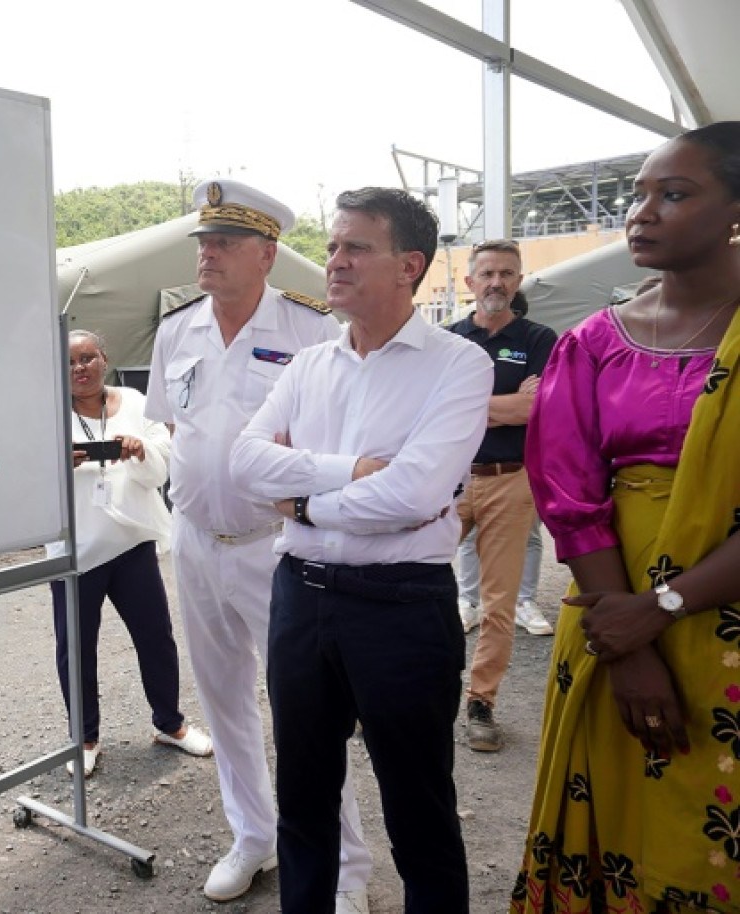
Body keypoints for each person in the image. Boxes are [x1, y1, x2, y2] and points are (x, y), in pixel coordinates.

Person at [230, 186, 491, 913]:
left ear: (410, 264)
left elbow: (413, 494)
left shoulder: (458, 365)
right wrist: (345, 473)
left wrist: (302, 501)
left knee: (419, 810)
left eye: (354, 247)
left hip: (403, 608)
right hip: (301, 599)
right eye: (334, 246)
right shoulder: (310, 364)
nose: (334, 261)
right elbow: (242, 464)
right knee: (304, 803)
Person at [511, 122, 740, 912]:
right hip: (608, 622)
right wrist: (627, 639)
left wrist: (664, 607)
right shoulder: (592, 344)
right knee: (614, 807)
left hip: (723, 618)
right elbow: (570, 497)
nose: (642, 213)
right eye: (638, 194)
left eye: (674, 195)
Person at [146, 179, 373, 910]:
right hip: (194, 540)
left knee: (307, 709)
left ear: (267, 254)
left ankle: (344, 870)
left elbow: (342, 442)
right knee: (223, 700)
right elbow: (178, 432)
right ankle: (254, 836)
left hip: (277, 545)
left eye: (224, 242)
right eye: (203, 241)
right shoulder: (176, 330)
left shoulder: (310, 330)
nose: (206, 253)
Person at [48, 329, 212, 777]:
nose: (79, 368)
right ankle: (83, 736)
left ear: (105, 358)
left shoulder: (137, 402)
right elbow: (29, 478)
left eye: (87, 358)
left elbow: (165, 463)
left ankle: (170, 724)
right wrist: (60, 464)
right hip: (75, 552)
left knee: (156, 636)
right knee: (76, 648)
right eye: (69, 362)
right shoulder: (46, 413)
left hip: (132, 541)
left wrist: (140, 453)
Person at [446, 240, 558, 753]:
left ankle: (481, 701)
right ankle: (402, 688)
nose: (496, 282)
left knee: (498, 602)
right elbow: (430, 410)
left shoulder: (539, 339)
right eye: (487, 273)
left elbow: (537, 411)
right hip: (446, 477)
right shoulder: (446, 339)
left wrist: (469, 405)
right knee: (403, 575)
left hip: (511, 480)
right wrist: (508, 403)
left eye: (507, 274)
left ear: (518, 281)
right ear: (469, 282)